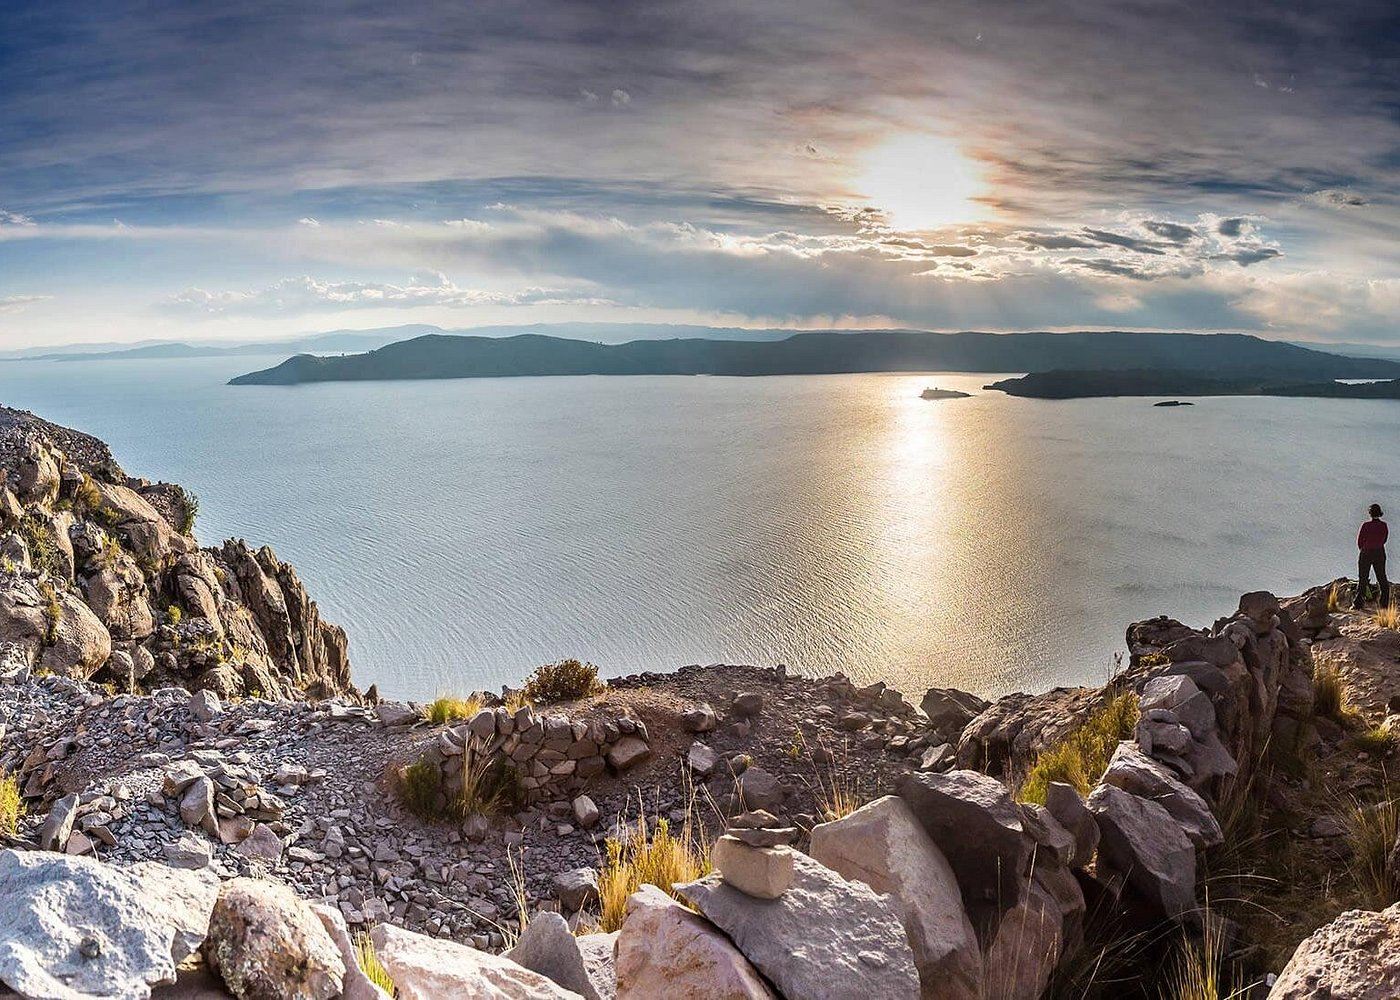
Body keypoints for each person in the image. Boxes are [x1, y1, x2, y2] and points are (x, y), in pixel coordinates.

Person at [1355, 503, 1390, 609]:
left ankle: (1358, 603)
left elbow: (1360, 540)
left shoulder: (1366, 525)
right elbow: (1384, 539)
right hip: (1379, 552)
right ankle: (1384, 604)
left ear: (1370, 513)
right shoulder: (1383, 525)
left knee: (1363, 578)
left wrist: (1364, 549)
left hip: (1366, 552)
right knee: (1382, 577)